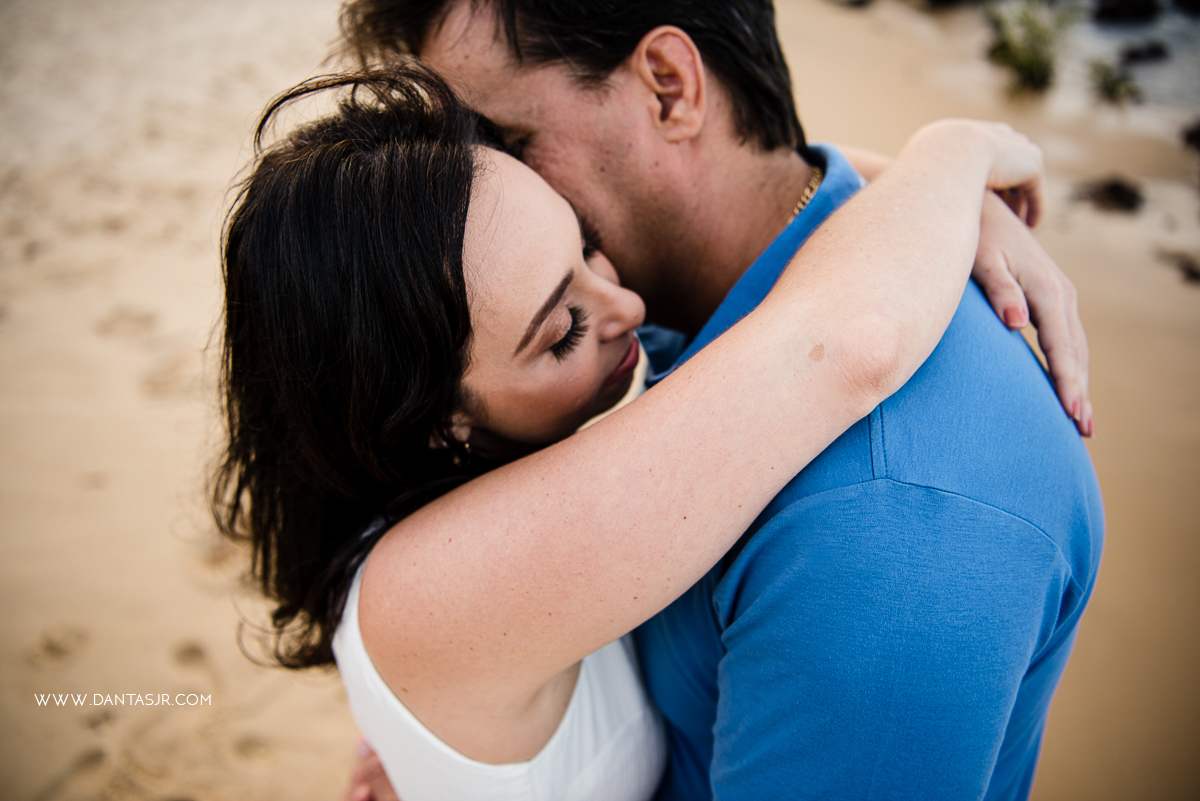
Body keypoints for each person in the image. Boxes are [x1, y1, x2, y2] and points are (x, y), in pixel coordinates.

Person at [215, 66, 1054, 801]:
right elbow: (854, 343)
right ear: (441, 425)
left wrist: (927, 195)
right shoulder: (429, 594)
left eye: (586, 243)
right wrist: (952, 153)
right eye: (563, 330)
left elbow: (774, 191)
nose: (628, 309)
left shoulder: (488, 463)